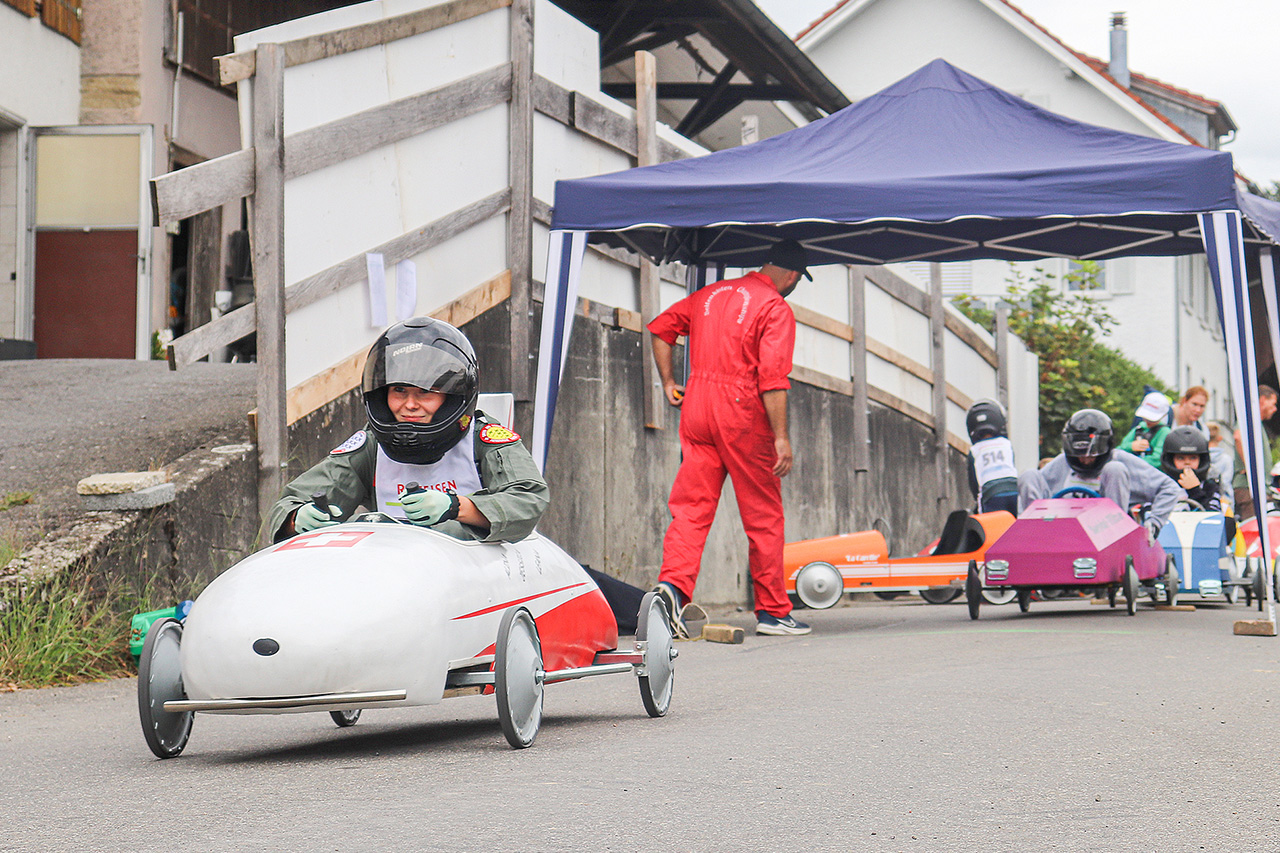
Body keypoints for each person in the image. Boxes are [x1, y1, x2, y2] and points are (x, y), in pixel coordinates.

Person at [648, 238, 811, 637]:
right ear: (791, 275)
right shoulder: (774, 307)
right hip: (741, 412)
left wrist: (668, 382)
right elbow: (772, 379)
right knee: (763, 514)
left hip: (697, 405)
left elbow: (661, 329)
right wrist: (781, 437)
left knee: (691, 508)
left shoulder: (710, 294)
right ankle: (773, 612)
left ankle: (672, 589)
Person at [266, 317, 549, 544]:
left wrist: (457, 507)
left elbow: (529, 498)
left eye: (425, 392)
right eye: (399, 390)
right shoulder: (371, 446)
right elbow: (291, 502)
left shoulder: (483, 439)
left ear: (452, 398)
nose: (410, 405)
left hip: (476, 573)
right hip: (399, 573)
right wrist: (297, 518)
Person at [1018, 408, 1185, 537]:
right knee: (1029, 475)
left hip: (1107, 533)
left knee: (1115, 469)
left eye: (1091, 455)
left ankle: (1118, 534)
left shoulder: (1121, 460)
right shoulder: (1062, 463)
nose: (1084, 459)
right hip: (1059, 533)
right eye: (1079, 455)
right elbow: (1034, 485)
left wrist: (1154, 523)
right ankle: (1033, 534)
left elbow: (1169, 488)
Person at [964, 399, 1018, 515]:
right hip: (1014, 489)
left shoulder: (975, 450)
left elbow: (974, 484)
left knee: (990, 524)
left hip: (991, 494)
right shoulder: (1006, 444)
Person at [1232, 385, 1278, 521]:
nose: (1275, 409)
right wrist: (1251, 469)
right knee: (1254, 527)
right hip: (1249, 488)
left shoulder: (1255, 422)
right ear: (1263, 399)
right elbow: (1238, 437)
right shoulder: (1249, 418)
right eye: (1273, 403)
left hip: (1255, 488)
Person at [1159, 426, 1223, 513]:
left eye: (1193, 458)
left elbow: (1213, 514)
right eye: (1180, 458)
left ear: (1201, 460)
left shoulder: (1210, 486)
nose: (1187, 463)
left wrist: (1194, 490)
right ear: (1170, 460)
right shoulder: (1161, 485)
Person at [1118, 391, 1171, 467]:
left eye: (1152, 419)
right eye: (1146, 417)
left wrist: (1133, 462)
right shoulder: (1139, 428)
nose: (1148, 421)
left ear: (1163, 415)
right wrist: (1131, 446)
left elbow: (1157, 459)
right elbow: (1119, 449)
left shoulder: (1164, 432)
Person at [1206, 420, 1235, 492]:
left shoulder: (1198, 458)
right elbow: (1226, 482)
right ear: (1220, 438)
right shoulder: (1226, 459)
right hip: (1222, 496)